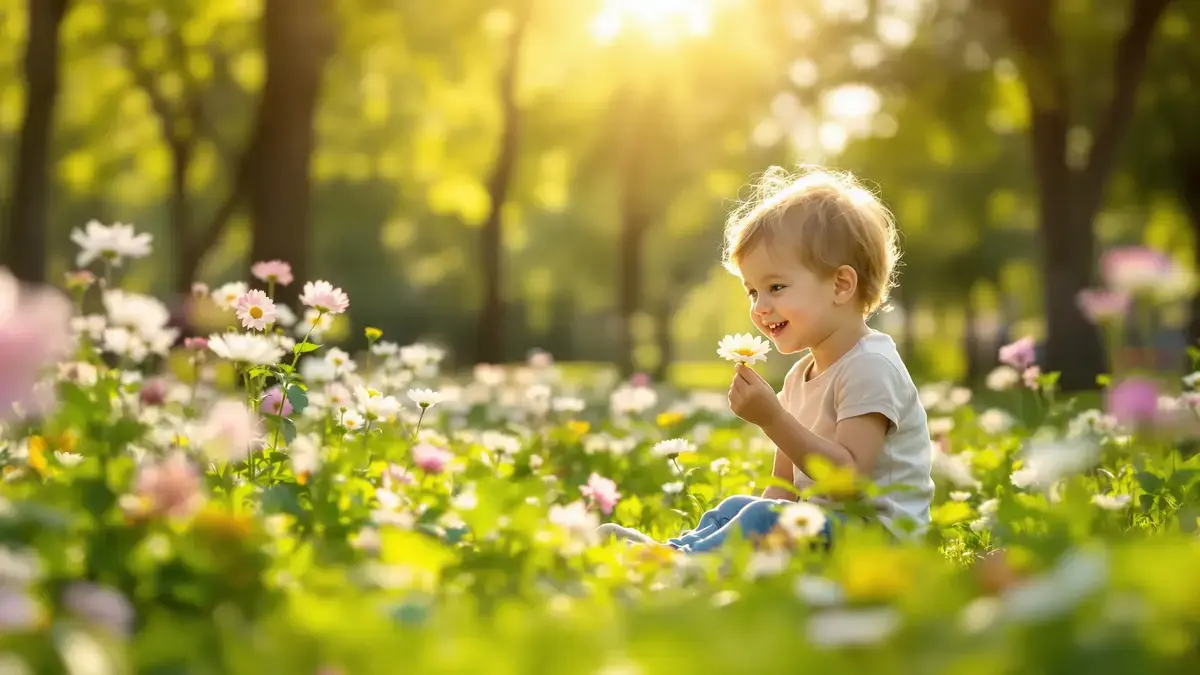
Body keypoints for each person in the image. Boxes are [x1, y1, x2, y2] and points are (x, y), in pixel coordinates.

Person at [598, 165, 934, 553]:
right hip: (824, 527)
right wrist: (759, 513)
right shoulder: (798, 377)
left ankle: (683, 565)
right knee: (741, 508)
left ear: (841, 285)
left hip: (875, 541)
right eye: (752, 292)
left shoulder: (870, 366)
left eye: (775, 287)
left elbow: (848, 482)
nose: (760, 307)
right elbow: (784, 489)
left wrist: (773, 419)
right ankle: (674, 551)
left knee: (759, 518)